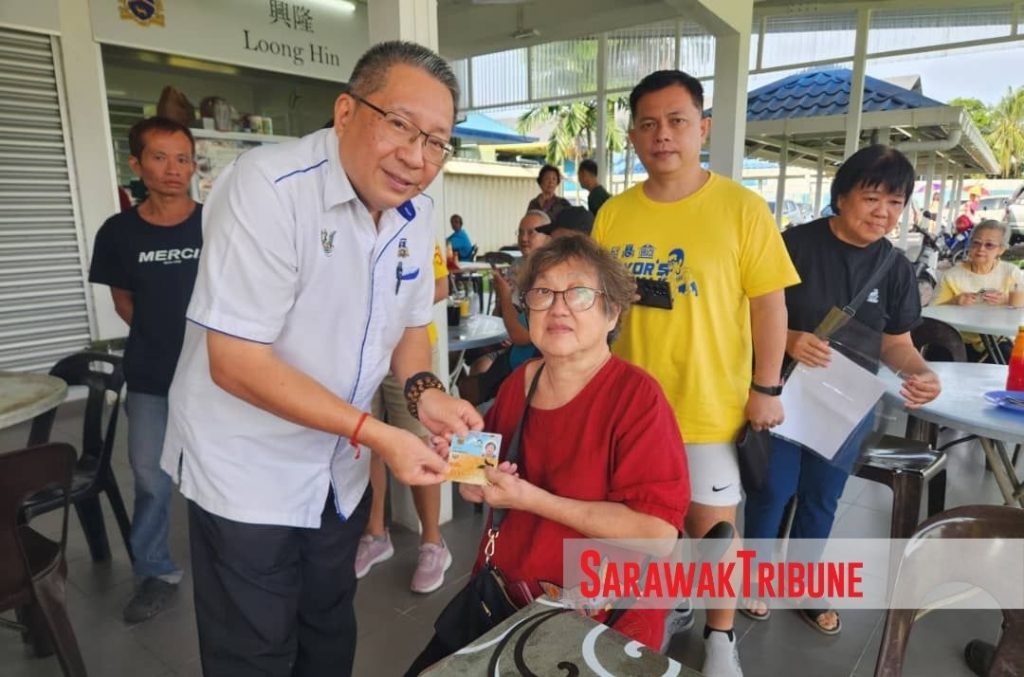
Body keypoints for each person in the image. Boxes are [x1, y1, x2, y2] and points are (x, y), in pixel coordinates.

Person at [159, 41, 483, 677]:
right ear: (346, 112)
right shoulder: (268, 187)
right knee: (254, 651)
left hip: (338, 471)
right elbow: (235, 361)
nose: (416, 157)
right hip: (247, 473)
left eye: (437, 142)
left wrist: (427, 393)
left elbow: (409, 325)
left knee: (329, 627)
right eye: (400, 125)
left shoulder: (415, 213)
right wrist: (378, 433)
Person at [592, 69, 799, 677]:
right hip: (629, 407)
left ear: (702, 128)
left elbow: (770, 305)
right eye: (648, 124)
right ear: (633, 137)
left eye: (677, 121)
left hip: (711, 404)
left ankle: (721, 636)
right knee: (640, 524)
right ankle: (662, 608)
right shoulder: (613, 216)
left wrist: (766, 387)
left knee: (715, 529)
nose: (663, 134)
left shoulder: (742, 208)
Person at [408, 234, 690, 675]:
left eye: (578, 293)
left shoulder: (638, 400)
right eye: (543, 293)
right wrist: (462, 469)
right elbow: (479, 475)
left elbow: (657, 535)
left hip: (601, 619)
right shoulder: (521, 381)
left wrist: (531, 499)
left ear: (612, 311)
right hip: (504, 597)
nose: (558, 307)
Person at [742, 145, 942, 636]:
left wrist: (919, 371)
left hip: (846, 404)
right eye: (872, 198)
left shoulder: (894, 267)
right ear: (842, 196)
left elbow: (896, 342)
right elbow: (744, 313)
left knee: (823, 495)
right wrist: (789, 339)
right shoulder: (794, 245)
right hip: (783, 392)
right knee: (772, 490)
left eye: (895, 203)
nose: (883, 213)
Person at [88, 116, 201, 624]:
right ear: (136, 164)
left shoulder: (217, 223)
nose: (173, 169)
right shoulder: (118, 233)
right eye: (159, 157)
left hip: (217, 376)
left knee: (221, 472)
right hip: (151, 376)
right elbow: (123, 301)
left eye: (182, 158)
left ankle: (232, 559)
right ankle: (155, 571)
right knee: (150, 475)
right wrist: (162, 337)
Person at [355, 243, 453, 593]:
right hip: (358, 353)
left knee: (420, 443)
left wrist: (389, 307)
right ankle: (376, 534)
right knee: (365, 444)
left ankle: (433, 542)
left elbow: (441, 286)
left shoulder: (415, 225)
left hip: (409, 353)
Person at [458, 210, 551, 404]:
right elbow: (498, 315)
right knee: (463, 361)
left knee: (475, 376)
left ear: (548, 237)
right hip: (507, 340)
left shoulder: (549, 274)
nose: (523, 238)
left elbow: (522, 336)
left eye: (531, 232)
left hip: (526, 355)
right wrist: (501, 300)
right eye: (520, 232)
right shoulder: (518, 266)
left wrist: (505, 296)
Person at [933, 219, 1024, 362]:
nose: (981, 249)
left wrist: (1008, 299)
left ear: (1001, 249)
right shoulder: (952, 275)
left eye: (989, 245)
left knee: (1010, 362)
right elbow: (932, 312)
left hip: (997, 340)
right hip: (957, 338)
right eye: (976, 243)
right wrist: (955, 301)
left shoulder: (1011, 273)